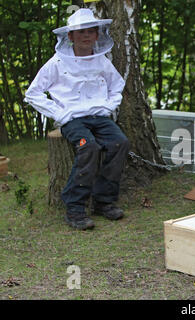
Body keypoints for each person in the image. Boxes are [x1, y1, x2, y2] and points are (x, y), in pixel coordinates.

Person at [24, 9, 129, 230]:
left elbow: (117, 85)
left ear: (98, 35)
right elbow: (33, 93)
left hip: (99, 116)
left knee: (119, 143)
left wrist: (109, 106)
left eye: (91, 31)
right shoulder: (57, 63)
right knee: (88, 147)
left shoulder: (101, 60)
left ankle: (104, 201)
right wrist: (60, 114)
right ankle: (75, 208)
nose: (86, 36)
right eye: (81, 32)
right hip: (72, 120)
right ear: (70, 36)